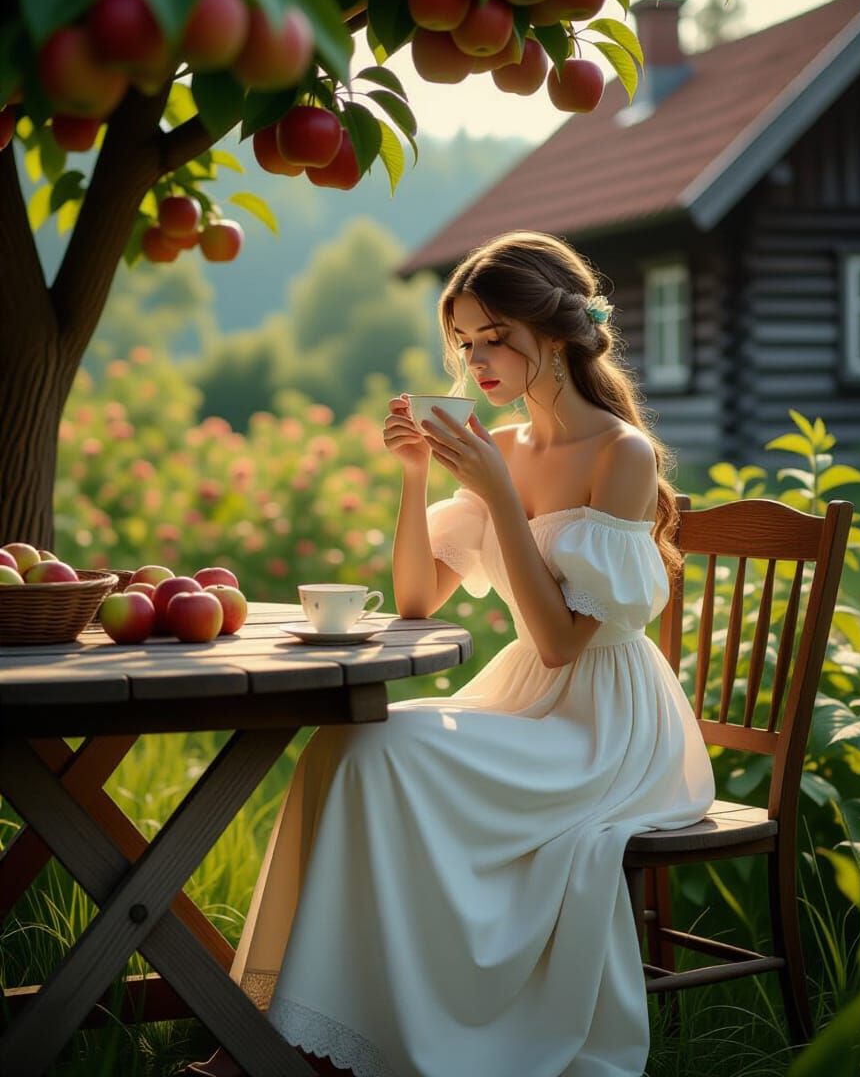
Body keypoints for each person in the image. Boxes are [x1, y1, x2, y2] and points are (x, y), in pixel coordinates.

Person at [186, 231, 714, 1077]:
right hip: (528, 702)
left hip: (605, 728)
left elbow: (560, 638)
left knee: (386, 753)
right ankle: (289, 1031)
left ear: (561, 333)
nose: (478, 360)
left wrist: (499, 496)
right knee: (345, 747)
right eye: (465, 342)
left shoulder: (623, 454)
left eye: (496, 336)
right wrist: (415, 478)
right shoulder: (499, 446)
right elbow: (417, 600)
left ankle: (338, 1046)